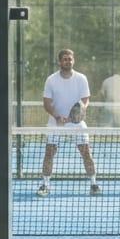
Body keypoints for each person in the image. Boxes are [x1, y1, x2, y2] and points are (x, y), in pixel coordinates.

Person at [37, 48, 100, 196]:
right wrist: (57, 117)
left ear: (73, 61)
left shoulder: (81, 78)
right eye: (65, 59)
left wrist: (75, 116)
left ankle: (94, 184)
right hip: (55, 122)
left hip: (77, 122)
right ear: (60, 61)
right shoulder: (51, 80)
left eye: (70, 59)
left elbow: (85, 100)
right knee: (50, 151)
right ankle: (45, 185)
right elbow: (47, 103)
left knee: (86, 152)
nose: (67, 61)